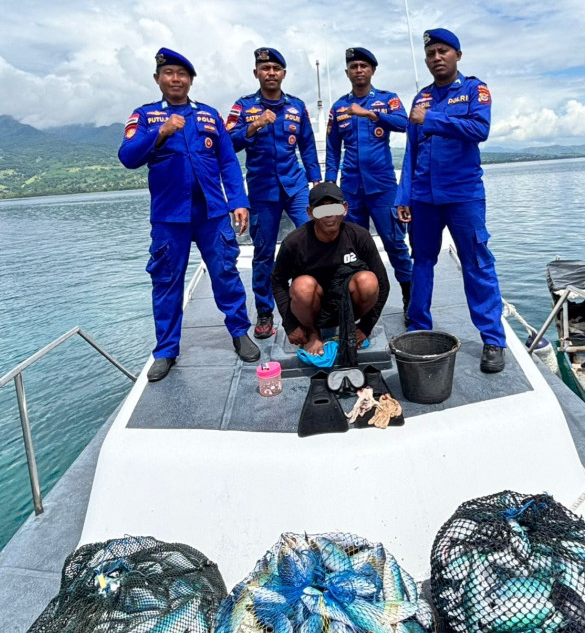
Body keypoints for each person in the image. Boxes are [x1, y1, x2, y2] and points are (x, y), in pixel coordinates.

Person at [119, 47, 260, 382]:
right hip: (170, 217)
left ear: (191, 80)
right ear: (158, 79)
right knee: (166, 282)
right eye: (169, 73)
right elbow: (127, 157)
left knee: (225, 273)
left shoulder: (209, 116)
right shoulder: (145, 116)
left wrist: (238, 201)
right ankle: (166, 351)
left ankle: (239, 333)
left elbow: (227, 161)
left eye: (182, 74)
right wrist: (160, 133)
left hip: (212, 212)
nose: (176, 79)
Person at [396, 28, 507, 374]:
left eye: (443, 51)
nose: (436, 58)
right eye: (431, 53)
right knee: (422, 261)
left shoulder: (475, 90)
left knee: (476, 262)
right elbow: (412, 151)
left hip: (463, 195)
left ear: (458, 55)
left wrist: (432, 119)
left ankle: (492, 339)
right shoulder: (421, 98)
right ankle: (418, 328)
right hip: (424, 197)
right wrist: (404, 196)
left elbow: (479, 129)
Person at [226, 48, 322, 340]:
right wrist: (254, 126)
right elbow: (227, 143)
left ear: (283, 74)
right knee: (263, 253)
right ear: (256, 73)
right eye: (264, 68)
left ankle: (318, 304)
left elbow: (306, 145)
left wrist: (316, 181)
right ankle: (266, 312)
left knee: (313, 242)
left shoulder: (297, 106)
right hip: (262, 191)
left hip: (295, 188)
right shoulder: (243, 107)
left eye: (275, 68)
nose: (270, 73)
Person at [324, 47, 413, 322]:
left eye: (364, 65)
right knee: (352, 249)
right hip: (351, 189)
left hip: (384, 188)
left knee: (396, 244)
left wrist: (371, 115)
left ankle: (409, 297)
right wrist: (330, 185)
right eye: (354, 66)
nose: (359, 70)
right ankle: (358, 301)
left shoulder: (387, 100)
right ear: (347, 72)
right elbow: (332, 149)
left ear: (372, 70)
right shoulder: (339, 107)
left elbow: (405, 123)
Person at [271, 182, 390, 358]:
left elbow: (383, 283)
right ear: (311, 213)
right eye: (321, 210)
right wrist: (290, 325)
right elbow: (277, 281)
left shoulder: (360, 236)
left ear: (344, 209)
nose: (329, 216)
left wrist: (366, 326)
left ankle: (349, 326)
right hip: (311, 309)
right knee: (302, 285)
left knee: (368, 280)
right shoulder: (294, 243)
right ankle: (313, 333)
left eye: (334, 208)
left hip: (349, 306)